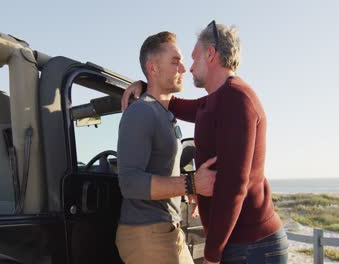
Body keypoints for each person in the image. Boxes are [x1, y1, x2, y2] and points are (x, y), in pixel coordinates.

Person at [121, 22, 288, 264]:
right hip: (239, 243)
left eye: (193, 57)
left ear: (211, 54)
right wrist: (146, 85)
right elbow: (174, 104)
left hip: (252, 246)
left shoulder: (236, 98)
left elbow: (235, 186)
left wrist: (211, 254)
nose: (187, 68)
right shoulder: (214, 102)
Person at [116, 31, 218, 264]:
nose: (184, 68)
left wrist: (187, 187)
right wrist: (192, 183)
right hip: (146, 234)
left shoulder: (164, 113)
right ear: (153, 68)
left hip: (165, 230)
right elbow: (130, 183)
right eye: (175, 61)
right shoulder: (141, 111)